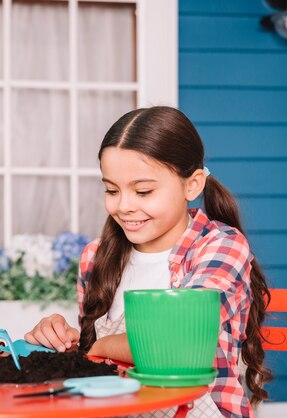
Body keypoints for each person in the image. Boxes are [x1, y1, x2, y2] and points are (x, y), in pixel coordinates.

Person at [25, 106, 271, 417]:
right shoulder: (96, 256)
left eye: (143, 191)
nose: (124, 206)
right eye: (111, 190)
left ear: (192, 185)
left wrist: (95, 347)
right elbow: (98, 367)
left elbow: (176, 343)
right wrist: (64, 342)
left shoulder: (221, 246)